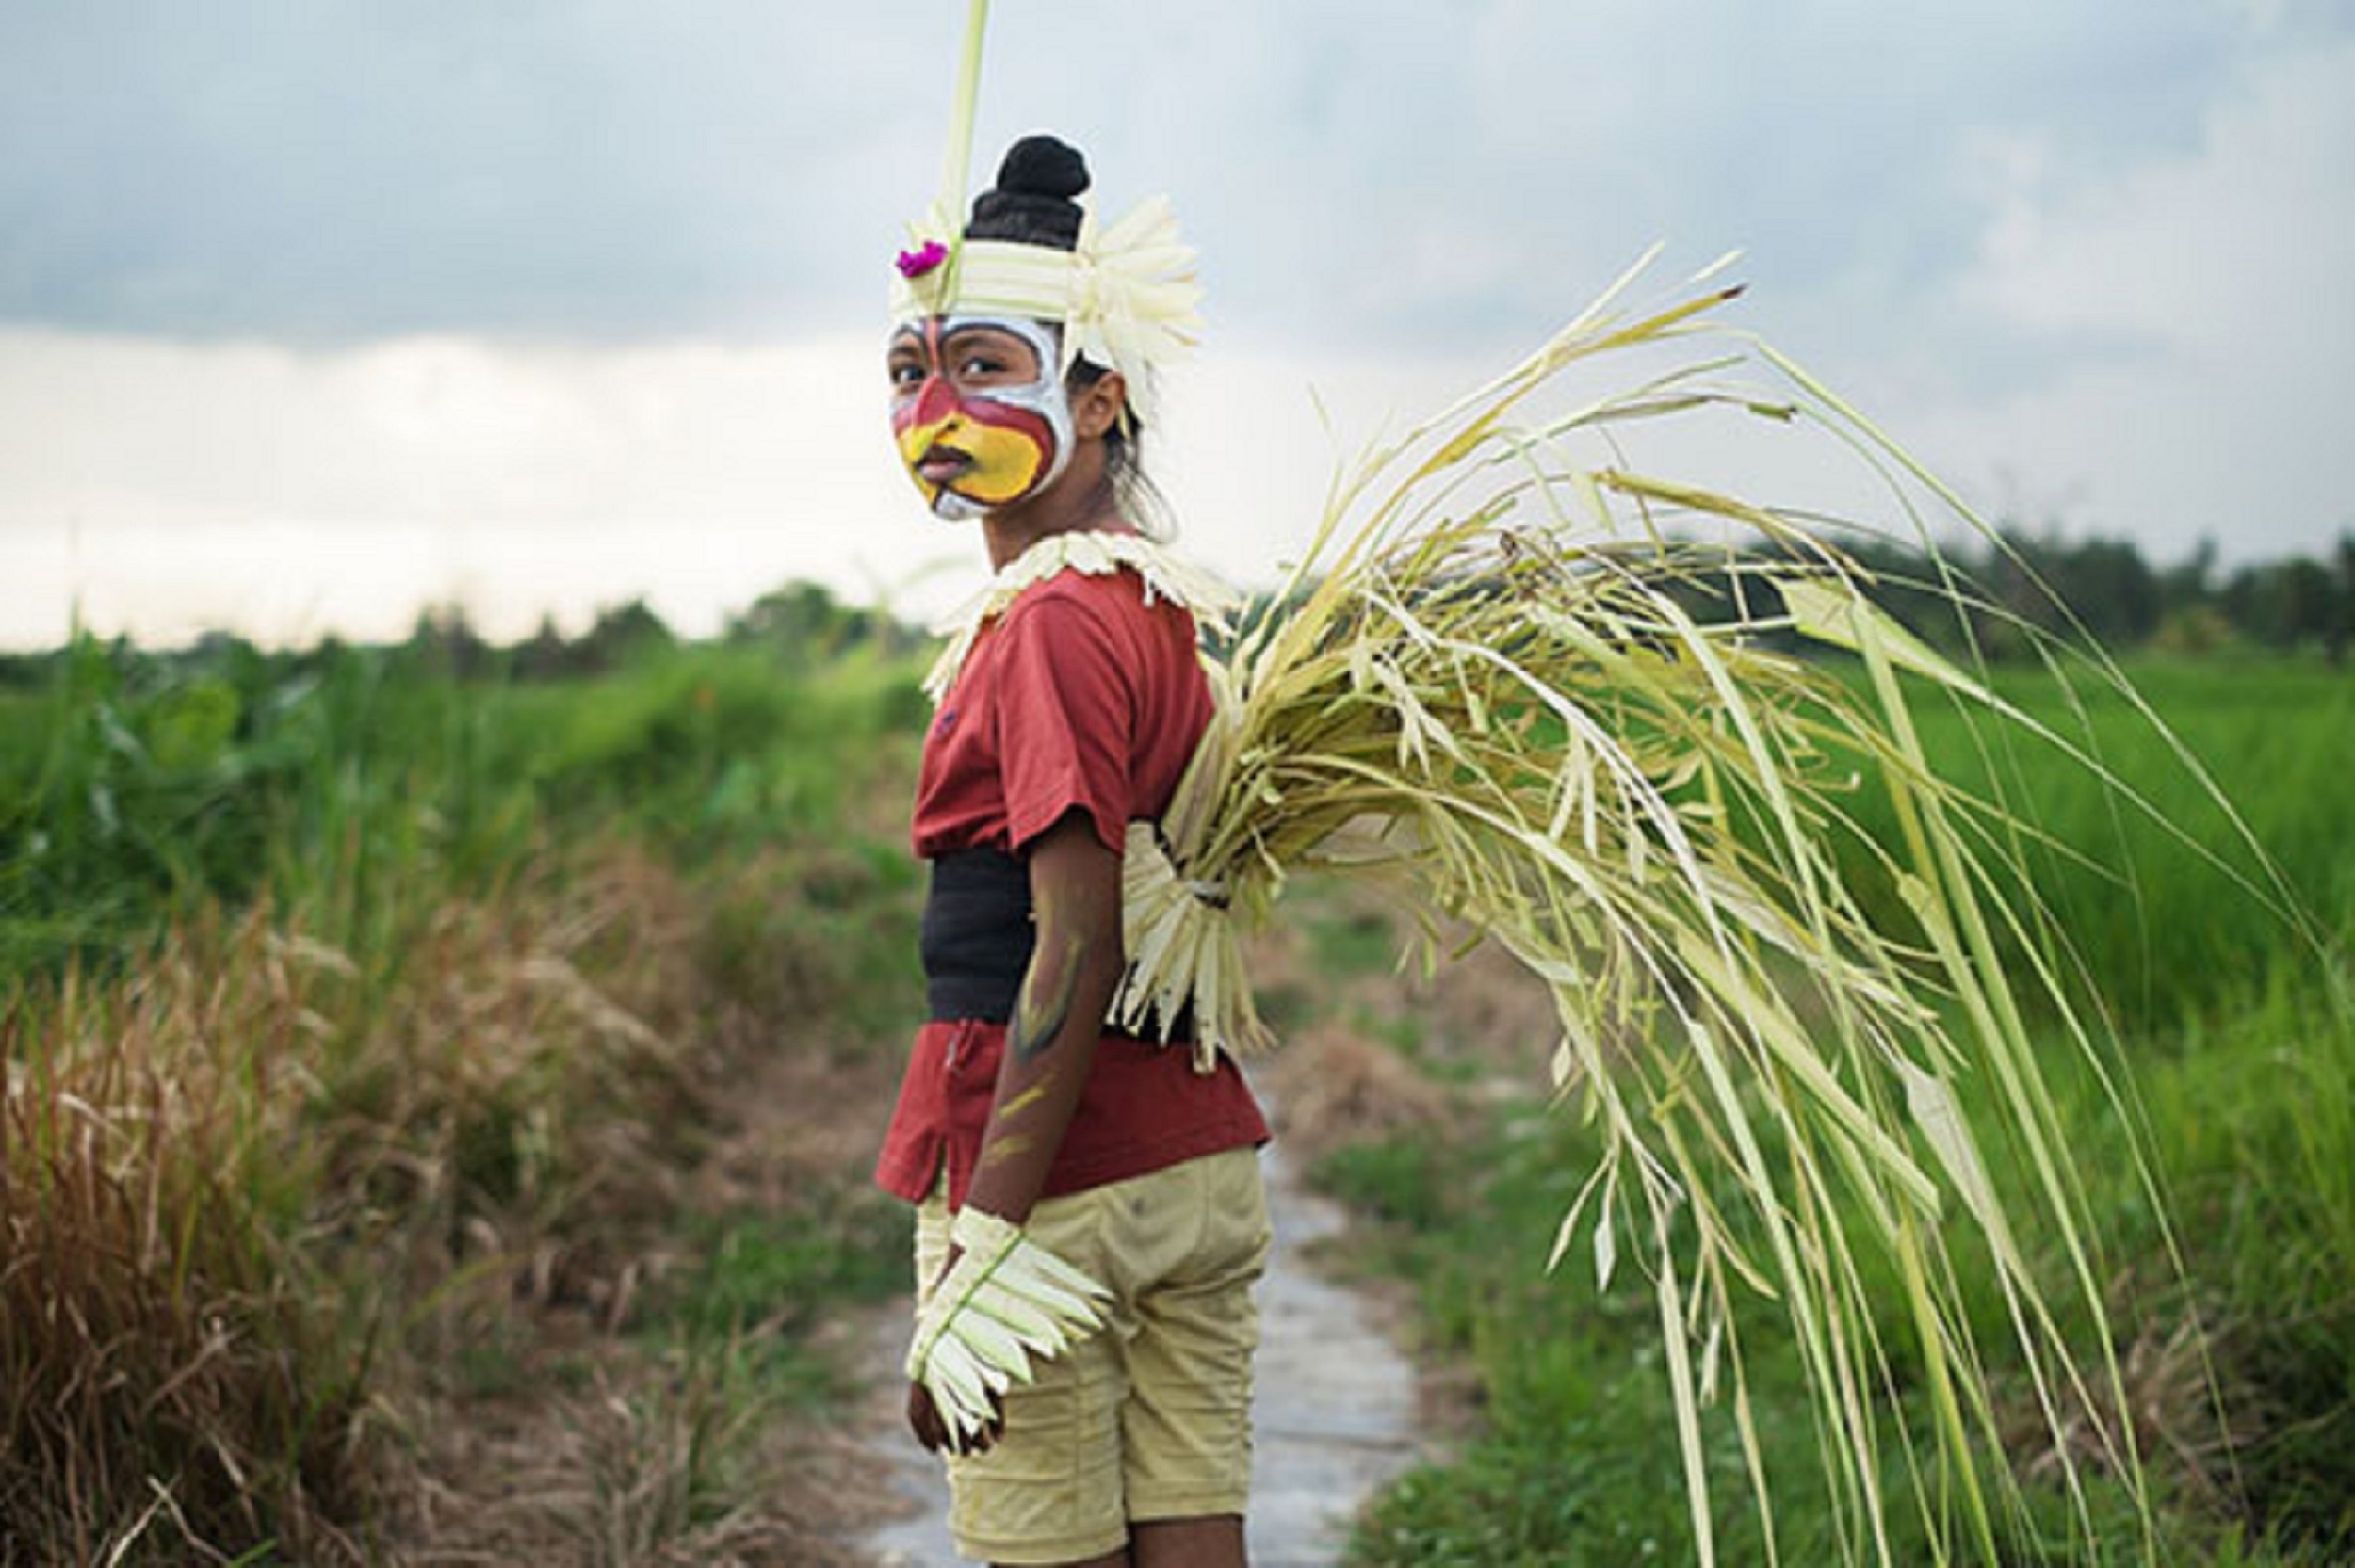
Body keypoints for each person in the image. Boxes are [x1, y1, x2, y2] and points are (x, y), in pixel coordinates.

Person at [871, 133, 1274, 1568]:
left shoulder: (1046, 622)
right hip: (1196, 1167)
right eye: (913, 372)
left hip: (1060, 1195)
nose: (936, 408)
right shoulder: (1157, 602)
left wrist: (981, 1253)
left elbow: (1075, 943)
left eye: (984, 364)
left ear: (1097, 396)